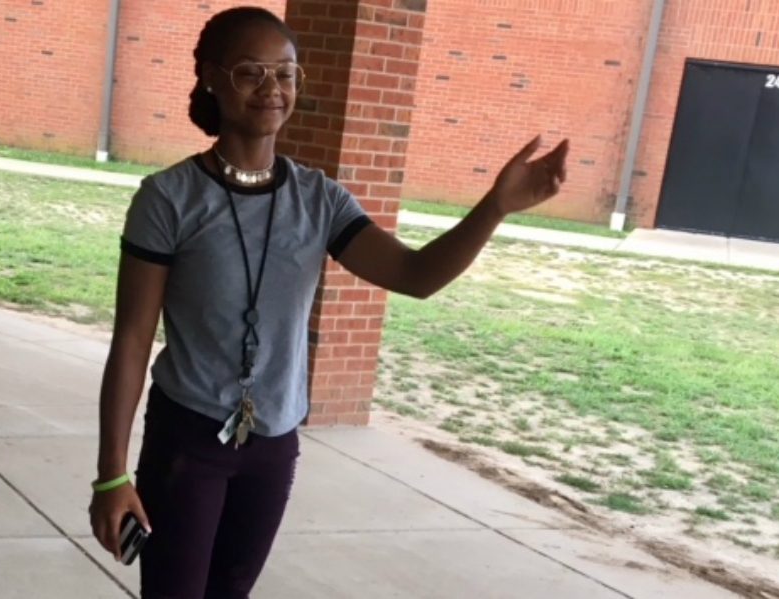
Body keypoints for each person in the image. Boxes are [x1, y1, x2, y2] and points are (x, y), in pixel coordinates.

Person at [88, 5, 569, 599]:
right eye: (251, 72)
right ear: (211, 77)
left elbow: (416, 275)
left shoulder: (320, 200)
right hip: (187, 440)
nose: (272, 89)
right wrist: (112, 474)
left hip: (273, 443)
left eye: (286, 74)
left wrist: (493, 208)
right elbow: (133, 340)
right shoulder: (168, 200)